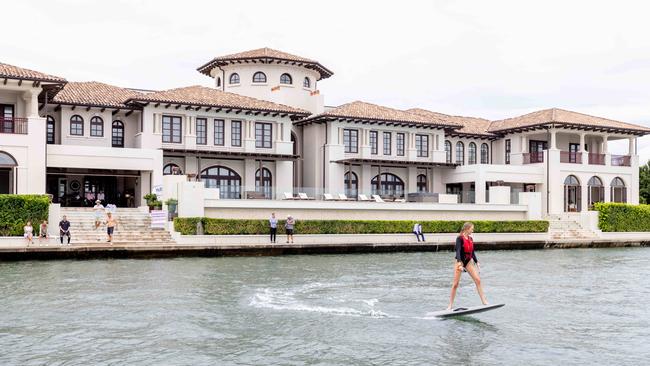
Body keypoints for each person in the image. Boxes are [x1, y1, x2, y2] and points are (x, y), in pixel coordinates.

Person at [447, 222, 488, 310]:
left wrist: (477, 262)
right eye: (472, 229)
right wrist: (459, 263)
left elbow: (472, 252)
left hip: (468, 262)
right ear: (467, 229)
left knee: (478, 280)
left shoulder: (471, 239)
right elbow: (458, 251)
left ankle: (484, 301)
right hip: (460, 261)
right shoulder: (459, 238)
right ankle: (450, 305)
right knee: (455, 284)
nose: (472, 230)